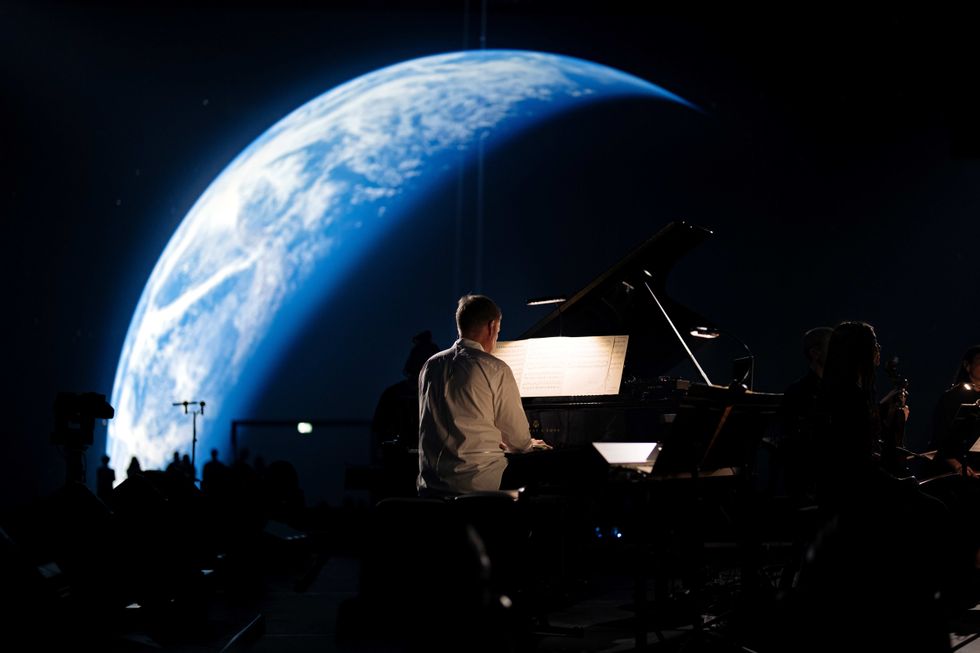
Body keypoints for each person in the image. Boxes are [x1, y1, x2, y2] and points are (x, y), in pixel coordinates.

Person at [417, 294, 546, 496]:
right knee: (550, 470)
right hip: (479, 485)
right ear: (493, 326)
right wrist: (530, 444)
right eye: (498, 332)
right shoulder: (495, 368)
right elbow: (519, 442)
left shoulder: (430, 366)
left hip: (430, 486)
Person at [776, 326, 832, 500]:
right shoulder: (797, 392)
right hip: (809, 485)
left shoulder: (832, 389)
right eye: (833, 348)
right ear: (815, 353)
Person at [370, 330, 441, 462]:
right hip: (409, 463)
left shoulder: (393, 393)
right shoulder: (394, 394)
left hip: (403, 463)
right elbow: (377, 432)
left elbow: (376, 432)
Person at [931, 345, 980, 478]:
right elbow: (940, 438)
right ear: (967, 365)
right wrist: (957, 465)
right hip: (959, 469)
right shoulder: (952, 397)